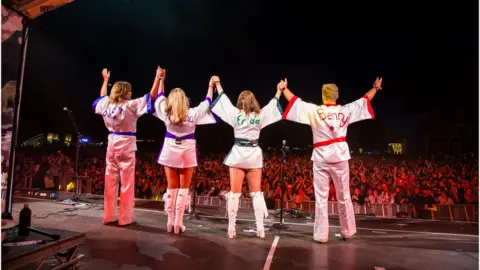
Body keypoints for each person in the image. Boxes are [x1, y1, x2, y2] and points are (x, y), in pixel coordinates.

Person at [280, 77, 383, 242]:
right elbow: (363, 100)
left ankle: (321, 235)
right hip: (340, 157)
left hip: (321, 157)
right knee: (344, 196)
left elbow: (295, 101)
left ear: (323, 96)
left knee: (321, 197)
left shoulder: (315, 111)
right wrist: (376, 88)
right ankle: (347, 231)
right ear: (336, 95)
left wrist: (284, 88)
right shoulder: (345, 110)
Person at [210, 76, 283, 239]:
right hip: (253, 156)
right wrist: (279, 90)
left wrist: (218, 84)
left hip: (238, 154)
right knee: (256, 193)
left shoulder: (236, 115)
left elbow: (224, 102)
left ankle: (231, 229)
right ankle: (260, 229)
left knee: (235, 194)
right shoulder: (260, 115)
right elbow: (273, 105)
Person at [93, 66, 164, 226]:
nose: (131, 93)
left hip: (111, 144)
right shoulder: (130, 105)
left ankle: (108, 216)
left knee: (109, 182)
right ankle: (124, 219)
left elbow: (102, 96)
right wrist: (157, 78)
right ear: (124, 92)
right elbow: (150, 96)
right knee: (127, 184)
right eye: (129, 91)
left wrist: (105, 81)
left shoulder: (106, 105)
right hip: (126, 145)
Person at [152, 76, 217, 234]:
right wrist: (210, 86)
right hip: (186, 152)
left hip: (170, 149)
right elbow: (207, 101)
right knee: (183, 189)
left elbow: (160, 97)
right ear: (184, 100)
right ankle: (178, 224)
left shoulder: (166, 114)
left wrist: (161, 79)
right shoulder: (193, 113)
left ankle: (169, 222)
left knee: (171, 188)